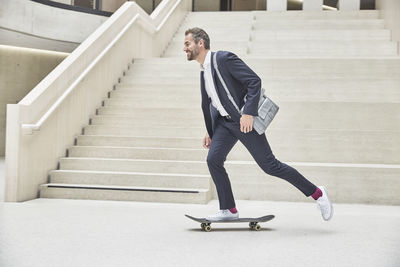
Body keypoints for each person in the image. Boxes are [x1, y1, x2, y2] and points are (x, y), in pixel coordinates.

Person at [183, 27, 333, 222]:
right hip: (223, 124)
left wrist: (248, 113)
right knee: (213, 160)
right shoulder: (204, 72)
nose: (184, 48)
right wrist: (210, 131)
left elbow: (254, 81)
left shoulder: (223, 59)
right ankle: (228, 209)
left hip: (243, 122)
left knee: (270, 166)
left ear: (200, 43)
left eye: (187, 44)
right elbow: (213, 103)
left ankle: (317, 194)